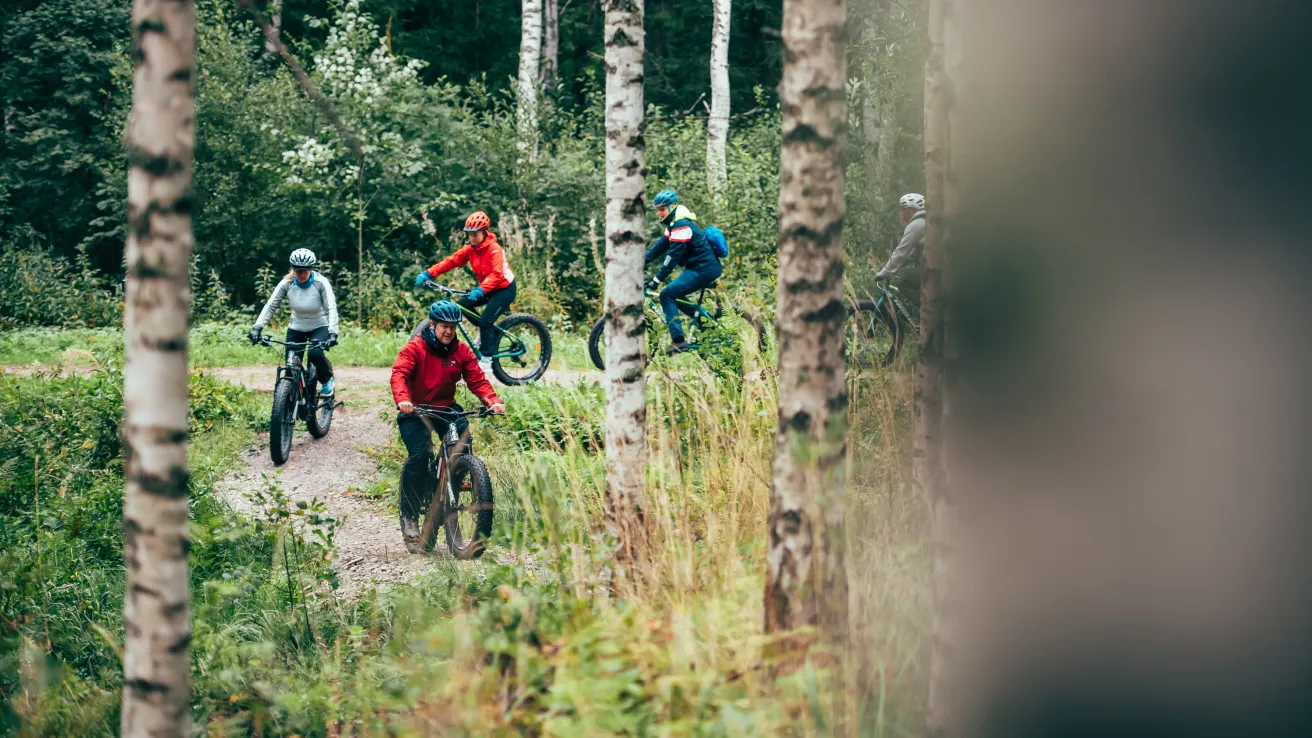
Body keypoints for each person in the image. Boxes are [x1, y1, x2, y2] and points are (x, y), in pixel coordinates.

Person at [390, 300, 507, 549]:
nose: (449, 332)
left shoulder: (461, 351)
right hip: (416, 409)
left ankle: (459, 475)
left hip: (445, 407)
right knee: (420, 456)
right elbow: (399, 374)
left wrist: (492, 401)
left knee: (463, 439)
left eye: (453, 327)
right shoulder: (415, 348)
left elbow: (477, 380)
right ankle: (410, 515)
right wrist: (403, 400)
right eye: (444, 326)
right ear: (432, 324)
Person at [414, 211, 515, 373]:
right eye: (469, 234)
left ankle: (487, 360)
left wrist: (480, 290)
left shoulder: (495, 249)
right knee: (461, 306)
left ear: (484, 232)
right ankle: (485, 334)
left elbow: (497, 275)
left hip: (504, 288)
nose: (472, 238)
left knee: (486, 321)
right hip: (487, 287)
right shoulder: (470, 249)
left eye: (475, 235)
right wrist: (429, 273)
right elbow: (451, 261)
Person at [249, 248, 339, 395]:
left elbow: (331, 308)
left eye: (305, 270)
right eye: (298, 271)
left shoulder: (321, 283)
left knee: (315, 354)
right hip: (297, 327)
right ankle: (289, 403)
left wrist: (333, 333)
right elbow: (271, 305)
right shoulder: (287, 283)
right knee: (290, 369)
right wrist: (257, 327)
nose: (302, 274)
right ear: (293, 269)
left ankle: (327, 379)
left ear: (311, 269)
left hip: (319, 325)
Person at [643, 189, 723, 354]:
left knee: (667, 295)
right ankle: (703, 321)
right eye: (657, 209)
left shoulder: (681, 225)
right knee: (676, 296)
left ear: (672, 207)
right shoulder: (674, 224)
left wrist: (657, 280)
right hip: (699, 268)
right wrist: (642, 260)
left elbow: (672, 256)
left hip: (704, 269)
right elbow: (661, 246)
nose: (659, 213)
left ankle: (678, 341)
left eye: (662, 209)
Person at [874, 192, 927, 323]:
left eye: (902, 209)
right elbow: (911, 255)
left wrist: (884, 272)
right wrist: (893, 269)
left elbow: (900, 252)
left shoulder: (916, 225)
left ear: (910, 210)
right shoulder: (923, 223)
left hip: (932, 271)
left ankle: (929, 308)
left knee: (904, 280)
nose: (900, 213)